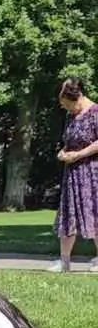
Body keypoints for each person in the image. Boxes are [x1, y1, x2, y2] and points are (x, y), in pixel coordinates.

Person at [50, 76, 98, 273]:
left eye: (66, 103)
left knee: (96, 212)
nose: (65, 108)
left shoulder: (95, 112)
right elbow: (69, 140)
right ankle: (64, 261)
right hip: (73, 172)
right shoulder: (71, 116)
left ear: (77, 97)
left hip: (92, 171)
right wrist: (64, 152)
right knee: (68, 215)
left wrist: (78, 154)